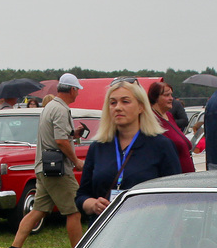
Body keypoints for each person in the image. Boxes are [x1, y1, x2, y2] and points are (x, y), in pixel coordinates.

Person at [5, 74, 86, 248]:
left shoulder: (50, 106)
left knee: (38, 210)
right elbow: (60, 141)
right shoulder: (61, 109)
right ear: (72, 90)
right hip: (57, 170)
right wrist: (76, 160)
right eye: (77, 90)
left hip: (44, 167)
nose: (77, 94)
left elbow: (58, 136)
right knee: (74, 211)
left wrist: (73, 134)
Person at [76, 77, 180, 217]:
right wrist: (93, 205)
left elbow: (176, 197)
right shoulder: (98, 147)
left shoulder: (161, 146)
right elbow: (82, 196)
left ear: (141, 107)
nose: (118, 107)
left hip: (147, 228)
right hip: (106, 230)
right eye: (113, 103)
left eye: (125, 101)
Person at [149, 80, 195, 174]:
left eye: (171, 95)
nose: (171, 99)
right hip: (172, 177)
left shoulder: (169, 116)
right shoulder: (152, 120)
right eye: (167, 95)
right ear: (155, 98)